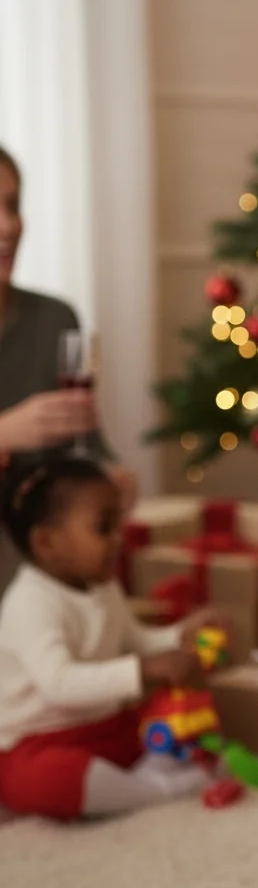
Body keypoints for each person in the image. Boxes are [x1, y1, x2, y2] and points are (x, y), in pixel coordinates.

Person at [0, 457, 220, 819]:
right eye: (104, 529)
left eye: (119, 525)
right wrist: (142, 670)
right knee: (49, 780)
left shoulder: (102, 585)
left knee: (171, 716)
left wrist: (181, 636)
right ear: (47, 543)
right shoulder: (30, 603)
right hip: (38, 740)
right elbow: (59, 683)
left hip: (105, 725)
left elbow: (134, 640)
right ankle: (156, 789)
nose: (119, 539)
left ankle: (147, 771)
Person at [0, 145, 136, 597]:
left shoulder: (55, 319)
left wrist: (111, 474)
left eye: (13, 206)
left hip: (48, 575)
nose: (8, 226)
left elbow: (87, 446)